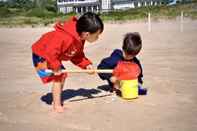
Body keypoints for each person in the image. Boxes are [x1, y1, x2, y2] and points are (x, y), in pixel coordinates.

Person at [32, 12, 104, 113]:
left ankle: (56, 101)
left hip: (52, 55)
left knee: (62, 75)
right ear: (87, 34)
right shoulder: (65, 37)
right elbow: (50, 51)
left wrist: (86, 65)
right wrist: (56, 66)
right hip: (42, 53)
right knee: (60, 75)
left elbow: (76, 55)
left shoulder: (80, 38)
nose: (98, 38)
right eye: (97, 35)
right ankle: (57, 105)